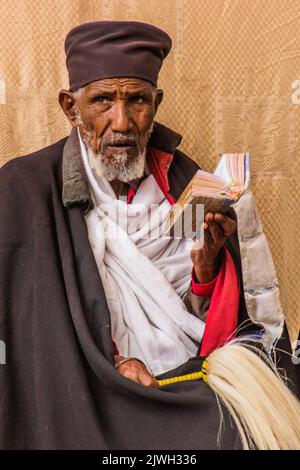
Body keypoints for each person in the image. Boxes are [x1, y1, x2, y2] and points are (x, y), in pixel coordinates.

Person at [0, 20, 298, 450]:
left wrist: (206, 270)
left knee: (240, 428)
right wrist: (113, 360)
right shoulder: (21, 189)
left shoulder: (187, 181)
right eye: (102, 101)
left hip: (184, 379)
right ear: (71, 107)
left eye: (137, 100)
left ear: (156, 103)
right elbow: (27, 324)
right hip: (84, 384)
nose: (121, 122)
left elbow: (227, 327)